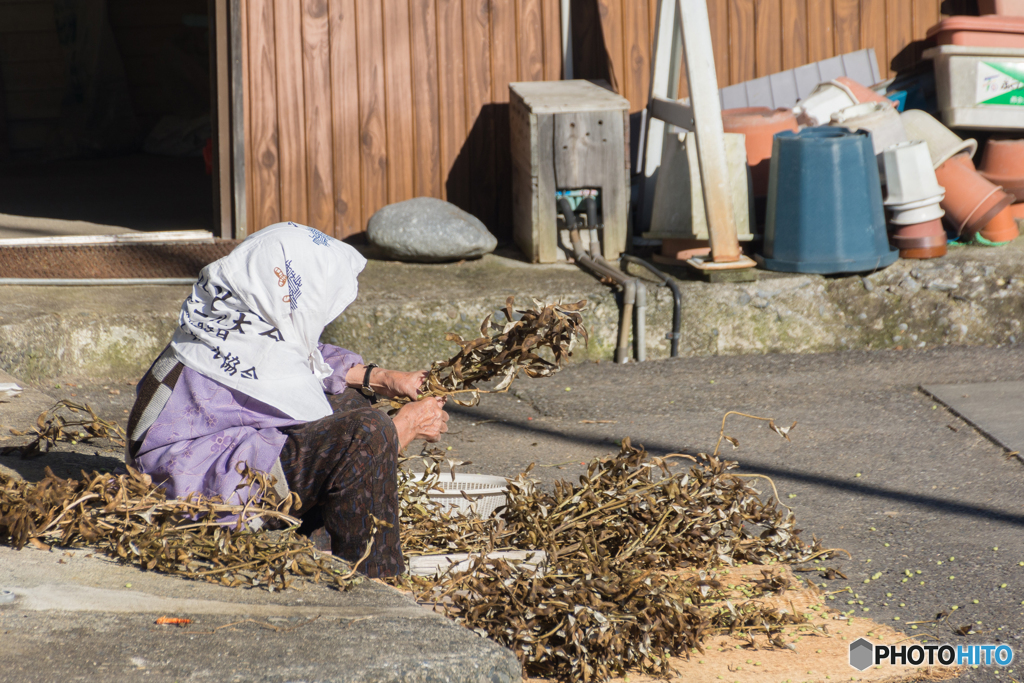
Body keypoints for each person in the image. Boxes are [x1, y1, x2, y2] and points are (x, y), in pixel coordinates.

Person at [125, 222, 448, 578]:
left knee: (351, 405)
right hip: (191, 484)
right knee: (366, 433)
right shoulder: (252, 342)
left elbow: (299, 357)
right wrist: (403, 427)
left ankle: (321, 543)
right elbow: (353, 435)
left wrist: (381, 378)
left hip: (195, 453)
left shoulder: (232, 309)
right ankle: (378, 581)